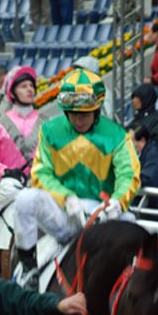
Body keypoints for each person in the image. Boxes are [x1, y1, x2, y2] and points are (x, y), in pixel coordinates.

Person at [13, 68, 141, 289]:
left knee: (131, 224)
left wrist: (117, 202)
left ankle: (131, 288)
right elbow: (40, 172)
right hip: (64, 213)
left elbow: (129, 174)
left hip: (102, 214)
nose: (79, 119)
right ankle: (29, 268)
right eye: (73, 113)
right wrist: (66, 198)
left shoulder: (117, 135)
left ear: (97, 109)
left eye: (85, 113)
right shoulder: (50, 130)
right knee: (25, 199)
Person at [0, 65, 41, 237]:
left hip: (39, 183)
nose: (30, 89)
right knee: (11, 188)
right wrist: (4, 171)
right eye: (23, 86)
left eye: (31, 86)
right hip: (8, 184)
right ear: (12, 92)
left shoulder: (47, 124)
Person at [130, 83, 158, 155]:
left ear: (145, 99)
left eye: (137, 98)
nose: (133, 101)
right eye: (133, 98)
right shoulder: (137, 118)